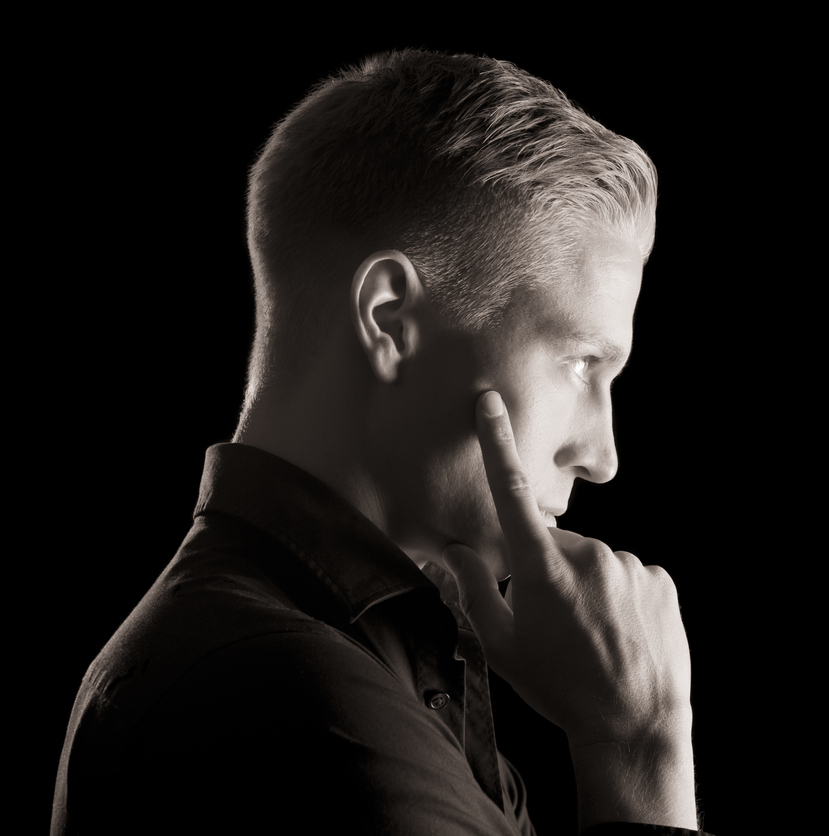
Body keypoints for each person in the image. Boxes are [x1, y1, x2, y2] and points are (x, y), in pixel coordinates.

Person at [53, 49, 705, 834]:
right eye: (579, 363)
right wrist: (638, 746)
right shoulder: (289, 697)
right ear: (390, 319)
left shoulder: (363, 660)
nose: (601, 457)